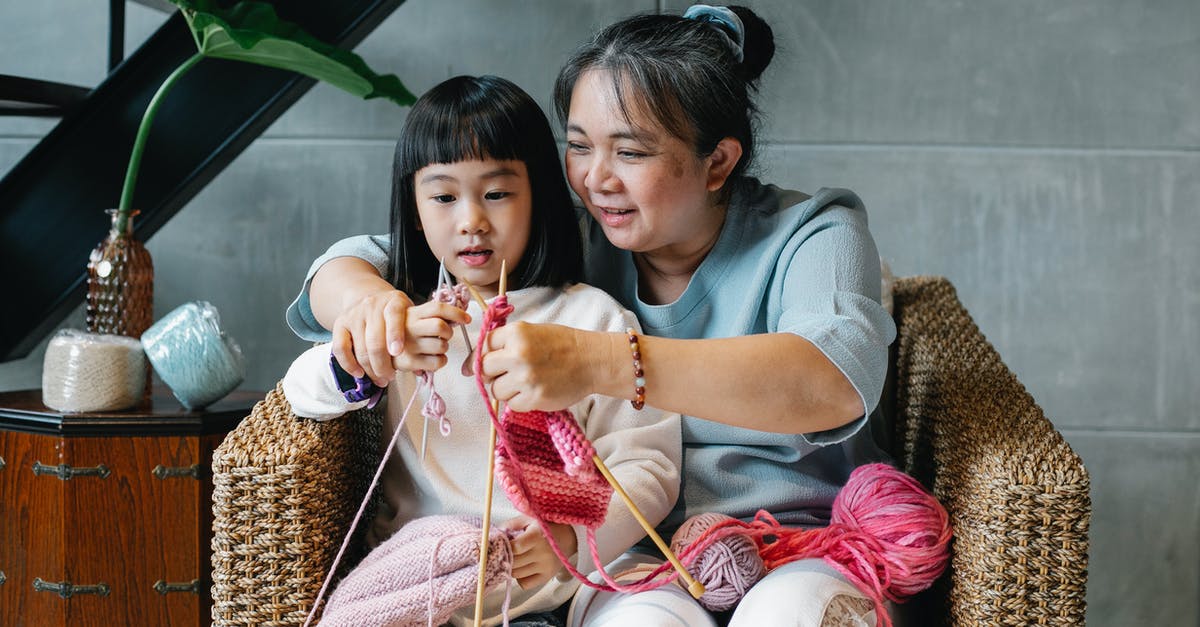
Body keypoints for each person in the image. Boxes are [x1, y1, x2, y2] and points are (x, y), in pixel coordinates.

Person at [287, 5, 898, 626]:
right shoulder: (572, 232)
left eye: (629, 152)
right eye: (579, 147)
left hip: (797, 542)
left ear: (718, 161)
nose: (595, 180)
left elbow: (831, 381)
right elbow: (378, 255)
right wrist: (371, 306)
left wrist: (599, 362)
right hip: (627, 563)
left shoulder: (815, 233)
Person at [281, 74, 680, 627]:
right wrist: (368, 356)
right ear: (413, 206)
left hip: (544, 594)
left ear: (537, 194)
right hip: (419, 582)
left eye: (496, 193)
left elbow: (648, 463)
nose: (471, 220)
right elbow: (300, 397)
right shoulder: (407, 315)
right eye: (444, 197)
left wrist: (571, 538)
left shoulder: (592, 319)